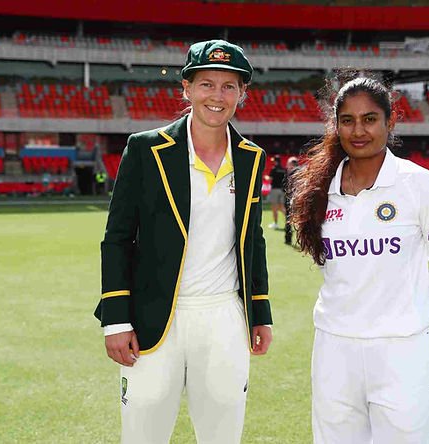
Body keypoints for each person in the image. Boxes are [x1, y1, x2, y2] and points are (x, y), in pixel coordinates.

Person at [94, 39, 273, 444]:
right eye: (207, 84)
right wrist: (116, 319)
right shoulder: (146, 149)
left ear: (242, 94)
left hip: (225, 316)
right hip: (153, 317)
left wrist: (259, 312)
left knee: (223, 436)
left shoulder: (250, 156)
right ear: (187, 88)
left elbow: (253, 240)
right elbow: (117, 238)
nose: (218, 95)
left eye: (230, 86)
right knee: (142, 435)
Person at [290, 75, 429, 444]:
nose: (359, 130)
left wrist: (417, 310)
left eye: (370, 119)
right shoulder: (321, 190)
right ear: (335, 125)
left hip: (401, 349)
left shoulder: (417, 184)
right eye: (348, 120)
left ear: (390, 122)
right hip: (335, 347)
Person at [267, 154, 287, 228]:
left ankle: (275, 224)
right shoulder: (283, 169)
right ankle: (289, 221)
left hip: (275, 189)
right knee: (281, 207)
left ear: (275, 161)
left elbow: (270, 179)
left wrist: (266, 177)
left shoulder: (274, 168)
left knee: (274, 207)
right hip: (281, 190)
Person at [283, 156, 299, 245]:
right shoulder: (301, 171)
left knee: (289, 220)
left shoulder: (291, 173)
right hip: (298, 199)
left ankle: (288, 239)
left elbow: (286, 187)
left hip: (292, 199)